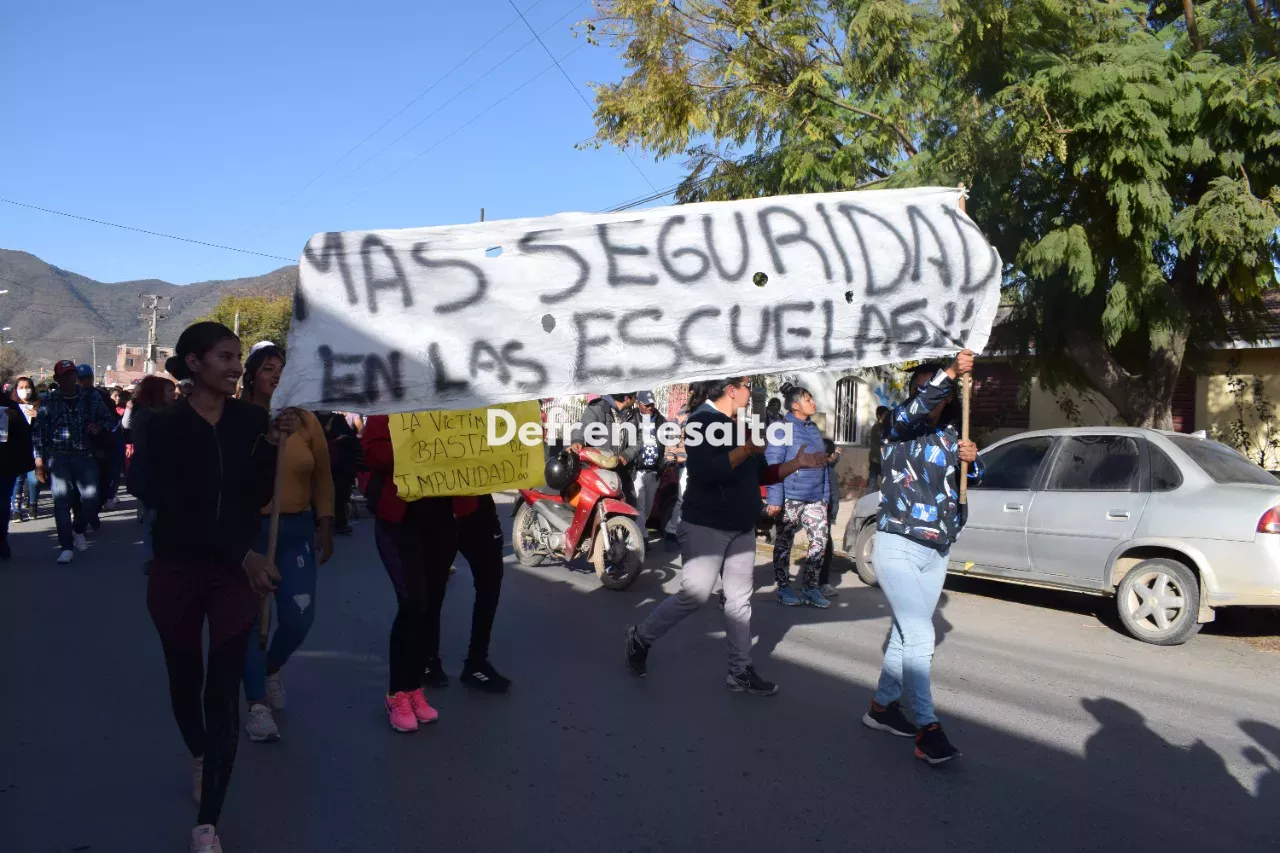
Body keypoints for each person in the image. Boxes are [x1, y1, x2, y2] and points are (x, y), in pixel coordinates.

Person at [144, 322, 295, 853]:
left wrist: (272, 447)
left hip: (235, 577)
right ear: (193, 363)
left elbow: (253, 493)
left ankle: (208, 822)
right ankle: (199, 755)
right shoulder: (160, 426)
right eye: (226, 357)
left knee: (222, 691)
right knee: (185, 681)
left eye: (238, 358)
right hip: (178, 570)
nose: (237, 367)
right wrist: (243, 553)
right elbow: (173, 508)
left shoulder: (251, 419)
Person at [624, 377, 827, 695]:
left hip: (740, 524)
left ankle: (740, 670)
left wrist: (796, 464)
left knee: (739, 601)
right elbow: (707, 470)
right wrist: (746, 449)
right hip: (706, 523)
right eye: (747, 385)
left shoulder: (739, 424)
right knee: (695, 595)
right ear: (730, 390)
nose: (753, 391)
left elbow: (762, 472)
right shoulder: (701, 421)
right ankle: (640, 637)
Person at [862, 350, 982, 766]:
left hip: (937, 551)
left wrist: (972, 459)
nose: (927, 397)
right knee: (920, 636)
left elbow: (970, 480)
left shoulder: (950, 436)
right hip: (898, 544)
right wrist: (949, 373)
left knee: (903, 633)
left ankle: (882, 707)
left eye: (938, 392)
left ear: (950, 401)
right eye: (921, 390)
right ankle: (927, 727)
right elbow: (917, 407)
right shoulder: (896, 427)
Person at [361, 414, 511, 734]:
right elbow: (374, 453)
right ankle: (397, 694)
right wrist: (422, 445)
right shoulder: (392, 402)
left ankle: (415, 689)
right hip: (400, 521)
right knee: (412, 603)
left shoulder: (458, 405)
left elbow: (485, 446)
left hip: (443, 519)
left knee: (428, 604)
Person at [239, 342, 335, 744]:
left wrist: (326, 522)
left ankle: (271, 667)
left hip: (295, 530)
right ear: (251, 376)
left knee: (299, 618)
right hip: (248, 534)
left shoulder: (307, 421)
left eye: (282, 368)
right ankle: (257, 703)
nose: (276, 375)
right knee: (251, 623)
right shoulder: (237, 418)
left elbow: (323, 476)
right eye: (267, 368)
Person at [32, 360, 116, 564]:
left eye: (73, 374)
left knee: (92, 497)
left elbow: (110, 420)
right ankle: (66, 546)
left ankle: (78, 528)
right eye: (66, 375)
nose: (71, 378)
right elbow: (38, 432)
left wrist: (99, 426)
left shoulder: (91, 397)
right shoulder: (49, 401)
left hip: (85, 456)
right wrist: (39, 461)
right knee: (61, 502)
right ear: (58, 379)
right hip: (58, 456)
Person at [765, 385, 833, 608]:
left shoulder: (813, 428)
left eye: (812, 398)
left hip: (815, 498)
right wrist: (775, 500)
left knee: (820, 542)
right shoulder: (780, 428)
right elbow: (773, 464)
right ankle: (784, 588)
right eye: (807, 400)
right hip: (789, 497)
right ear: (795, 405)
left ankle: (810, 587)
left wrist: (825, 496)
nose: (813, 403)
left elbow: (821, 464)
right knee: (784, 544)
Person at [124, 374, 175, 574]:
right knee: (153, 518)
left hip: (159, 476)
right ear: (158, 393)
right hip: (150, 476)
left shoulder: (166, 413)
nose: (174, 394)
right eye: (170, 391)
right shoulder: (146, 416)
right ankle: (153, 558)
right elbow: (145, 447)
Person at [570, 391, 640, 504]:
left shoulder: (632, 415)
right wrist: (577, 441)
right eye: (634, 397)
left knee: (629, 504)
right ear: (627, 398)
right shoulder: (598, 408)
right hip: (598, 471)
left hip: (621, 471)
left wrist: (626, 454)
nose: (636, 399)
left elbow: (638, 440)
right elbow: (582, 427)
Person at [0, 388, 35, 559]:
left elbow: (23, 435)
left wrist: (11, 419)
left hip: (4, 464)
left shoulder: (9, 407)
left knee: (1, 502)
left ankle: (1, 540)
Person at [317, 410, 360, 536]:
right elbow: (352, 437)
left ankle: (323, 523)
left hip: (325, 463)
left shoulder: (312, 418)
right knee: (339, 495)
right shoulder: (337, 419)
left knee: (323, 494)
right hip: (339, 464)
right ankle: (339, 522)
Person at [631, 390, 667, 532]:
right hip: (637, 470)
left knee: (647, 508)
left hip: (654, 471)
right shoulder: (632, 419)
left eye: (651, 404)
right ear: (638, 403)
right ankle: (642, 538)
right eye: (645, 405)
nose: (649, 408)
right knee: (639, 506)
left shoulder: (660, 420)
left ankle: (639, 532)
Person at [11, 377, 41, 521]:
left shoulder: (39, 405)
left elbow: (49, 424)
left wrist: (38, 416)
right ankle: (16, 509)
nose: (24, 390)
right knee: (17, 480)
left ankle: (33, 503)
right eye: (21, 387)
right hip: (17, 449)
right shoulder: (11, 407)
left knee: (34, 480)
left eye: (27, 387)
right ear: (16, 389)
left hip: (35, 448)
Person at [817, 438, 842, 599]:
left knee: (820, 547)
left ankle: (814, 582)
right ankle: (821, 584)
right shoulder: (828, 471)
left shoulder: (818, 465)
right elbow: (833, 495)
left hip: (817, 512)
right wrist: (832, 515)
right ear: (829, 455)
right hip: (823, 512)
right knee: (825, 548)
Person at [866, 405, 889, 490]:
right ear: (879, 416)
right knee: (872, 484)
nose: (887, 416)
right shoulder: (877, 427)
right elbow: (884, 439)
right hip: (877, 460)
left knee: (886, 483)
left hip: (881, 459)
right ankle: (867, 501)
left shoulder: (882, 426)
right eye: (885, 414)